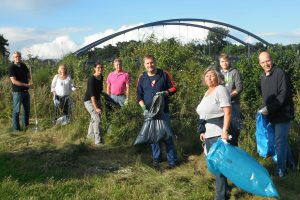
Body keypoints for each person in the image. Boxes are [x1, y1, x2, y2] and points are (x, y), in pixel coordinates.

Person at [196, 66, 232, 200]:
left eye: (212, 75)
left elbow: (227, 111)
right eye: (206, 76)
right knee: (214, 164)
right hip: (208, 133)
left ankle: (220, 197)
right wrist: (203, 131)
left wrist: (225, 131)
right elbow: (204, 114)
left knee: (219, 165)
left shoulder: (220, 89)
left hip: (218, 132)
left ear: (218, 77)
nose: (209, 78)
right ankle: (225, 189)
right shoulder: (207, 92)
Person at [136, 54, 177, 169]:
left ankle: (172, 162)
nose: (150, 65)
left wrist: (165, 93)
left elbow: (174, 88)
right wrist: (144, 109)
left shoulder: (164, 74)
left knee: (167, 137)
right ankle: (156, 159)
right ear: (144, 65)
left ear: (155, 62)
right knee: (153, 138)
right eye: (147, 63)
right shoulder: (142, 77)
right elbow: (139, 96)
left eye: (152, 62)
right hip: (149, 113)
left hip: (163, 112)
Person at [258, 51, 295, 177]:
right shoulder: (263, 77)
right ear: (260, 63)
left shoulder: (280, 73)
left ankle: (281, 170)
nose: (266, 64)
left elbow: (283, 95)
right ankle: (291, 165)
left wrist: (268, 109)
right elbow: (265, 97)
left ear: (271, 60)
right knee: (282, 141)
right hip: (272, 115)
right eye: (263, 62)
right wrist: (263, 110)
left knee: (279, 142)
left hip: (283, 114)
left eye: (267, 61)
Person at [219, 53, 243, 146]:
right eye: (222, 61)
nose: (225, 63)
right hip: (221, 105)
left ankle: (234, 149)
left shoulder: (234, 72)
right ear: (220, 62)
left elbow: (239, 88)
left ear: (229, 61)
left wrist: (228, 96)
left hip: (233, 104)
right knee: (224, 128)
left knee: (235, 128)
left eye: (226, 61)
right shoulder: (218, 73)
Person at [8, 51, 32, 131]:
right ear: (13, 58)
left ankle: (26, 127)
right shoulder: (11, 67)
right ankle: (16, 129)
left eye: (19, 56)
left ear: (21, 57)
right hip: (17, 92)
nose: (17, 58)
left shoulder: (23, 65)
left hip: (26, 92)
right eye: (16, 56)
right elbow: (14, 81)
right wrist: (26, 85)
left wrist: (30, 70)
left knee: (26, 110)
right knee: (16, 111)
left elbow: (29, 76)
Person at [84, 62, 105, 145]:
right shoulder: (91, 79)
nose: (100, 69)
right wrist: (96, 107)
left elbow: (99, 91)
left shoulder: (101, 77)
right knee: (97, 119)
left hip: (97, 100)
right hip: (89, 101)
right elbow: (92, 94)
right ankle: (98, 141)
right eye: (98, 67)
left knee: (93, 118)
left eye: (101, 67)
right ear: (95, 68)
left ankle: (89, 137)